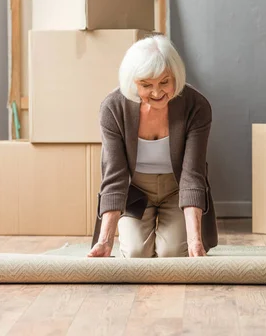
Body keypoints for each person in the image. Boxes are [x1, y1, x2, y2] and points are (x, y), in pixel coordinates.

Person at [87, 34, 218, 258]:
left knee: (172, 253)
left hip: (177, 189)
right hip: (135, 191)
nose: (157, 93)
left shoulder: (196, 106)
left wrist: (195, 241)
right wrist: (105, 241)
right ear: (132, 82)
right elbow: (114, 175)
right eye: (146, 85)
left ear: (176, 75)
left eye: (165, 82)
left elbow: (192, 174)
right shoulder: (113, 109)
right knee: (136, 253)